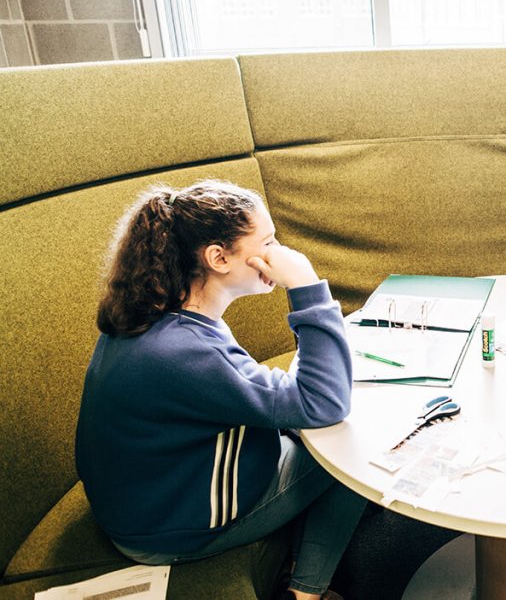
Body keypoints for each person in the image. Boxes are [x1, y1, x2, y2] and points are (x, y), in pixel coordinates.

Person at [75, 180, 366, 600]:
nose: (278, 254)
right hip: (166, 530)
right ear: (218, 257)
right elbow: (326, 402)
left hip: (143, 498)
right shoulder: (185, 353)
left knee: (314, 420)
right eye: (267, 242)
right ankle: (306, 593)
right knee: (351, 455)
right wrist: (306, 286)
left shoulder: (155, 311)